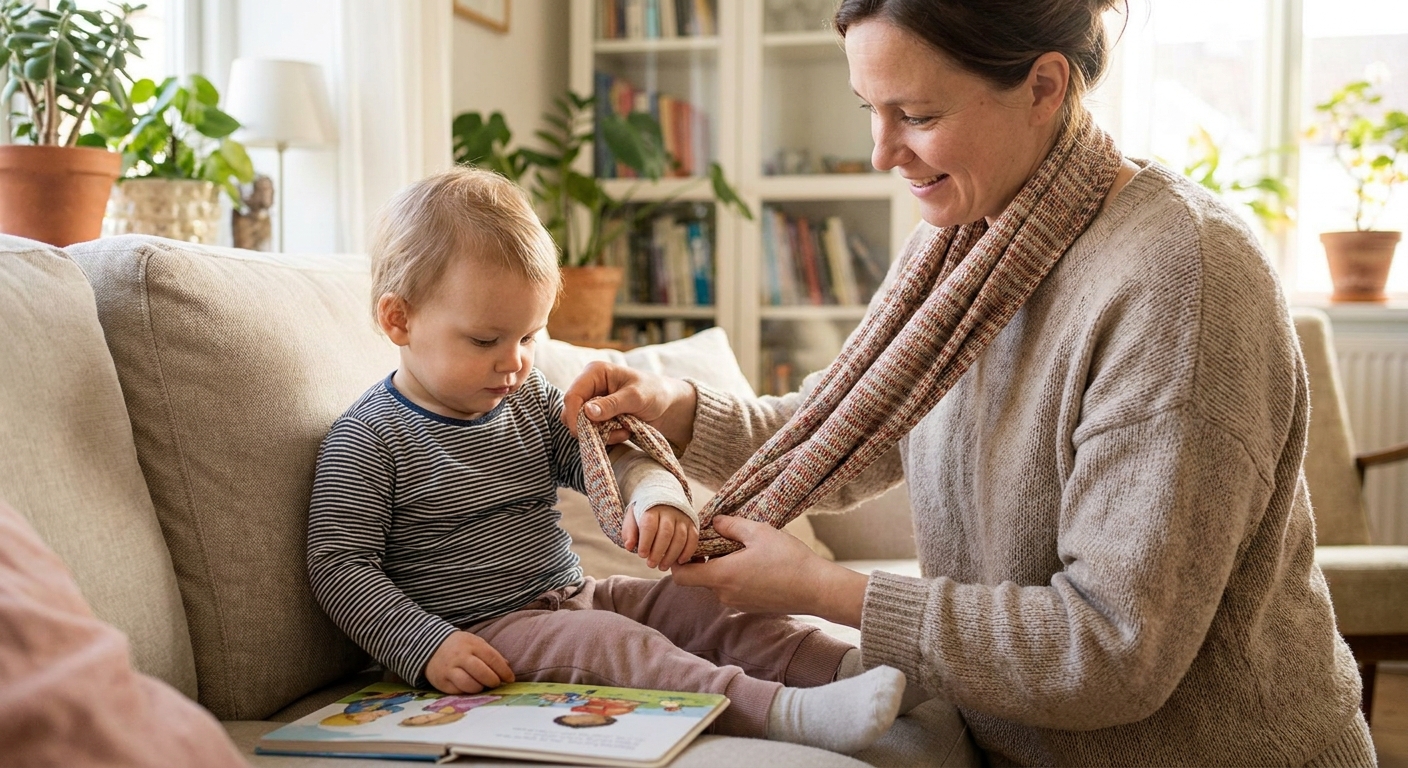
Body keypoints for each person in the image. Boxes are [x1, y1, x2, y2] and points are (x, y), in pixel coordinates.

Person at [563, 1, 1376, 765]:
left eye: (916, 116)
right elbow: (849, 423)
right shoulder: (964, 238)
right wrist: (679, 411)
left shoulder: (1181, 278)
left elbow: (1110, 650)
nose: (882, 153)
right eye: (867, 110)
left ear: (1044, 86)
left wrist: (828, 590)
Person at [305, 166, 907, 754]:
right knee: (617, 646)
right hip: (483, 635)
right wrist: (426, 646)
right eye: (487, 340)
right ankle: (784, 713)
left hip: (573, 593)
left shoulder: (527, 399)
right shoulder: (368, 437)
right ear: (398, 319)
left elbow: (610, 460)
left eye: (530, 336)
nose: (514, 361)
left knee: (701, 604)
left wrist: (655, 497)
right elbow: (339, 567)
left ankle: (847, 669)